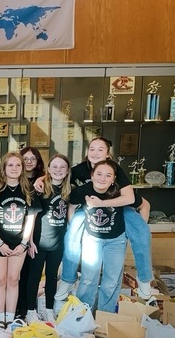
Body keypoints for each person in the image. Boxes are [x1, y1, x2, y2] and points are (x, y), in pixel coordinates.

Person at [51, 136, 155, 306]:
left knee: (142, 231)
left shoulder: (115, 170)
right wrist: (40, 179)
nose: (95, 153)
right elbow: (58, 175)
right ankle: (68, 280)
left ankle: (144, 278)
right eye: (92, 149)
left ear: (108, 154)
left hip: (118, 210)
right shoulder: (80, 171)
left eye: (101, 149)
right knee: (72, 233)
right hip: (90, 216)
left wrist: (132, 232)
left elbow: (133, 199)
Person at [0, 152, 40, 326]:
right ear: (4, 168)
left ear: (22, 168)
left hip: (19, 243)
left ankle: (10, 317)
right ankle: (0, 318)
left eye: (18, 165)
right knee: (0, 278)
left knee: (13, 279)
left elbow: (30, 219)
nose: (14, 168)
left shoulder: (28, 190)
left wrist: (24, 243)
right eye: (10, 165)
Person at [67, 159, 127, 313]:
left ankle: (104, 316)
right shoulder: (82, 191)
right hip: (92, 239)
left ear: (113, 179)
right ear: (92, 175)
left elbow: (141, 204)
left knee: (111, 281)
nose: (103, 178)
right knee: (88, 279)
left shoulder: (120, 193)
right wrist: (75, 230)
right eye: (99, 174)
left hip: (116, 241)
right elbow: (71, 207)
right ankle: (83, 315)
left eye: (108, 175)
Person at [25, 154, 71, 323]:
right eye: (55, 167)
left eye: (62, 167)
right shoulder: (40, 188)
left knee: (52, 277)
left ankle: (49, 310)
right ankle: (30, 311)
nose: (58, 170)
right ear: (49, 169)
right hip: (39, 241)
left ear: (67, 171)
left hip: (58, 243)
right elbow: (32, 216)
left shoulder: (70, 190)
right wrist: (30, 241)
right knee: (34, 276)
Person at [16, 147, 46, 318]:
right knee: (17, 273)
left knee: (31, 271)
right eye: (25, 158)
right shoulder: (14, 178)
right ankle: (16, 308)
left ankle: (28, 308)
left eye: (32, 158)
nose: (28, 161)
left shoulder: (43, 180)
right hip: (16, 229)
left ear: (38, 161)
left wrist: (43, 177)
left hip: (38, 228)